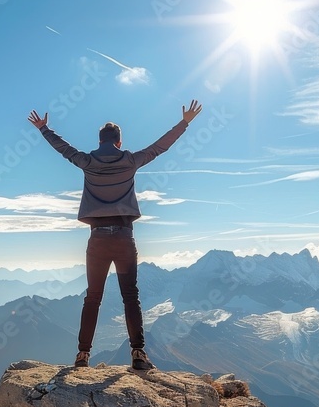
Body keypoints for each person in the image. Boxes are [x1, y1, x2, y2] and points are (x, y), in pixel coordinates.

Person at [28, 100, 203, 370]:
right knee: (130, 296)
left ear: (100, 142)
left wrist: (44, 129)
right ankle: (138, 354)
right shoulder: (130, 161)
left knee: (93, 297)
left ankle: (82, 355)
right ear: (119, 142)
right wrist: (184, 122)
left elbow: (65, 150)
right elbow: (160, 147)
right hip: (123, 238)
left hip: (97, 239)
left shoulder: (87, 161)